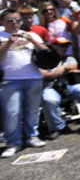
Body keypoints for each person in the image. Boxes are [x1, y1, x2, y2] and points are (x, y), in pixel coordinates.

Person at [0, 9, 50, 158]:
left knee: (32, 110)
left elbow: (46, 52)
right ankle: (13, 142)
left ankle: (31, 136)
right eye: (10, 20)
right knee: (12, 112)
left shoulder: (31, 34)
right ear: (2, 22)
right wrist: (9, 42)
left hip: (33, 77)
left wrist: (33, 41)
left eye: (17, 20)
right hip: (9, 79)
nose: (14, 23)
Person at [40, 37, 80, 139]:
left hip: (68, 85)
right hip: (50, 87)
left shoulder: (69, 58)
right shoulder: (44, 59)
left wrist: (63, 68)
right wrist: (56, 73)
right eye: (62, 45)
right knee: (48, 99)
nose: (65, 48)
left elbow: (74, 66)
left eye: (66, 46)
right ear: (54, 46)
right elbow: (43, 74)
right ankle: (57, 128)